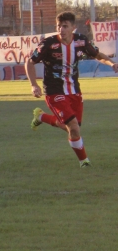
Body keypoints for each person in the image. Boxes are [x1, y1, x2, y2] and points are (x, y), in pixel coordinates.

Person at [28, 11, 118, 167]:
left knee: (72, 128)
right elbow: (29, 62)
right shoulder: (48, 43)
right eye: (58, 26)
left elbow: (97, 55)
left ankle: (41, 117)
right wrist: (34, 85)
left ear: (73, 28)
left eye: (65, 26)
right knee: (74, 128)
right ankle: (84, 162)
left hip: (74, 91)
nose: (61, 29)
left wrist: (112, 64)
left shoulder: (81, 41)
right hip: (54, 91)